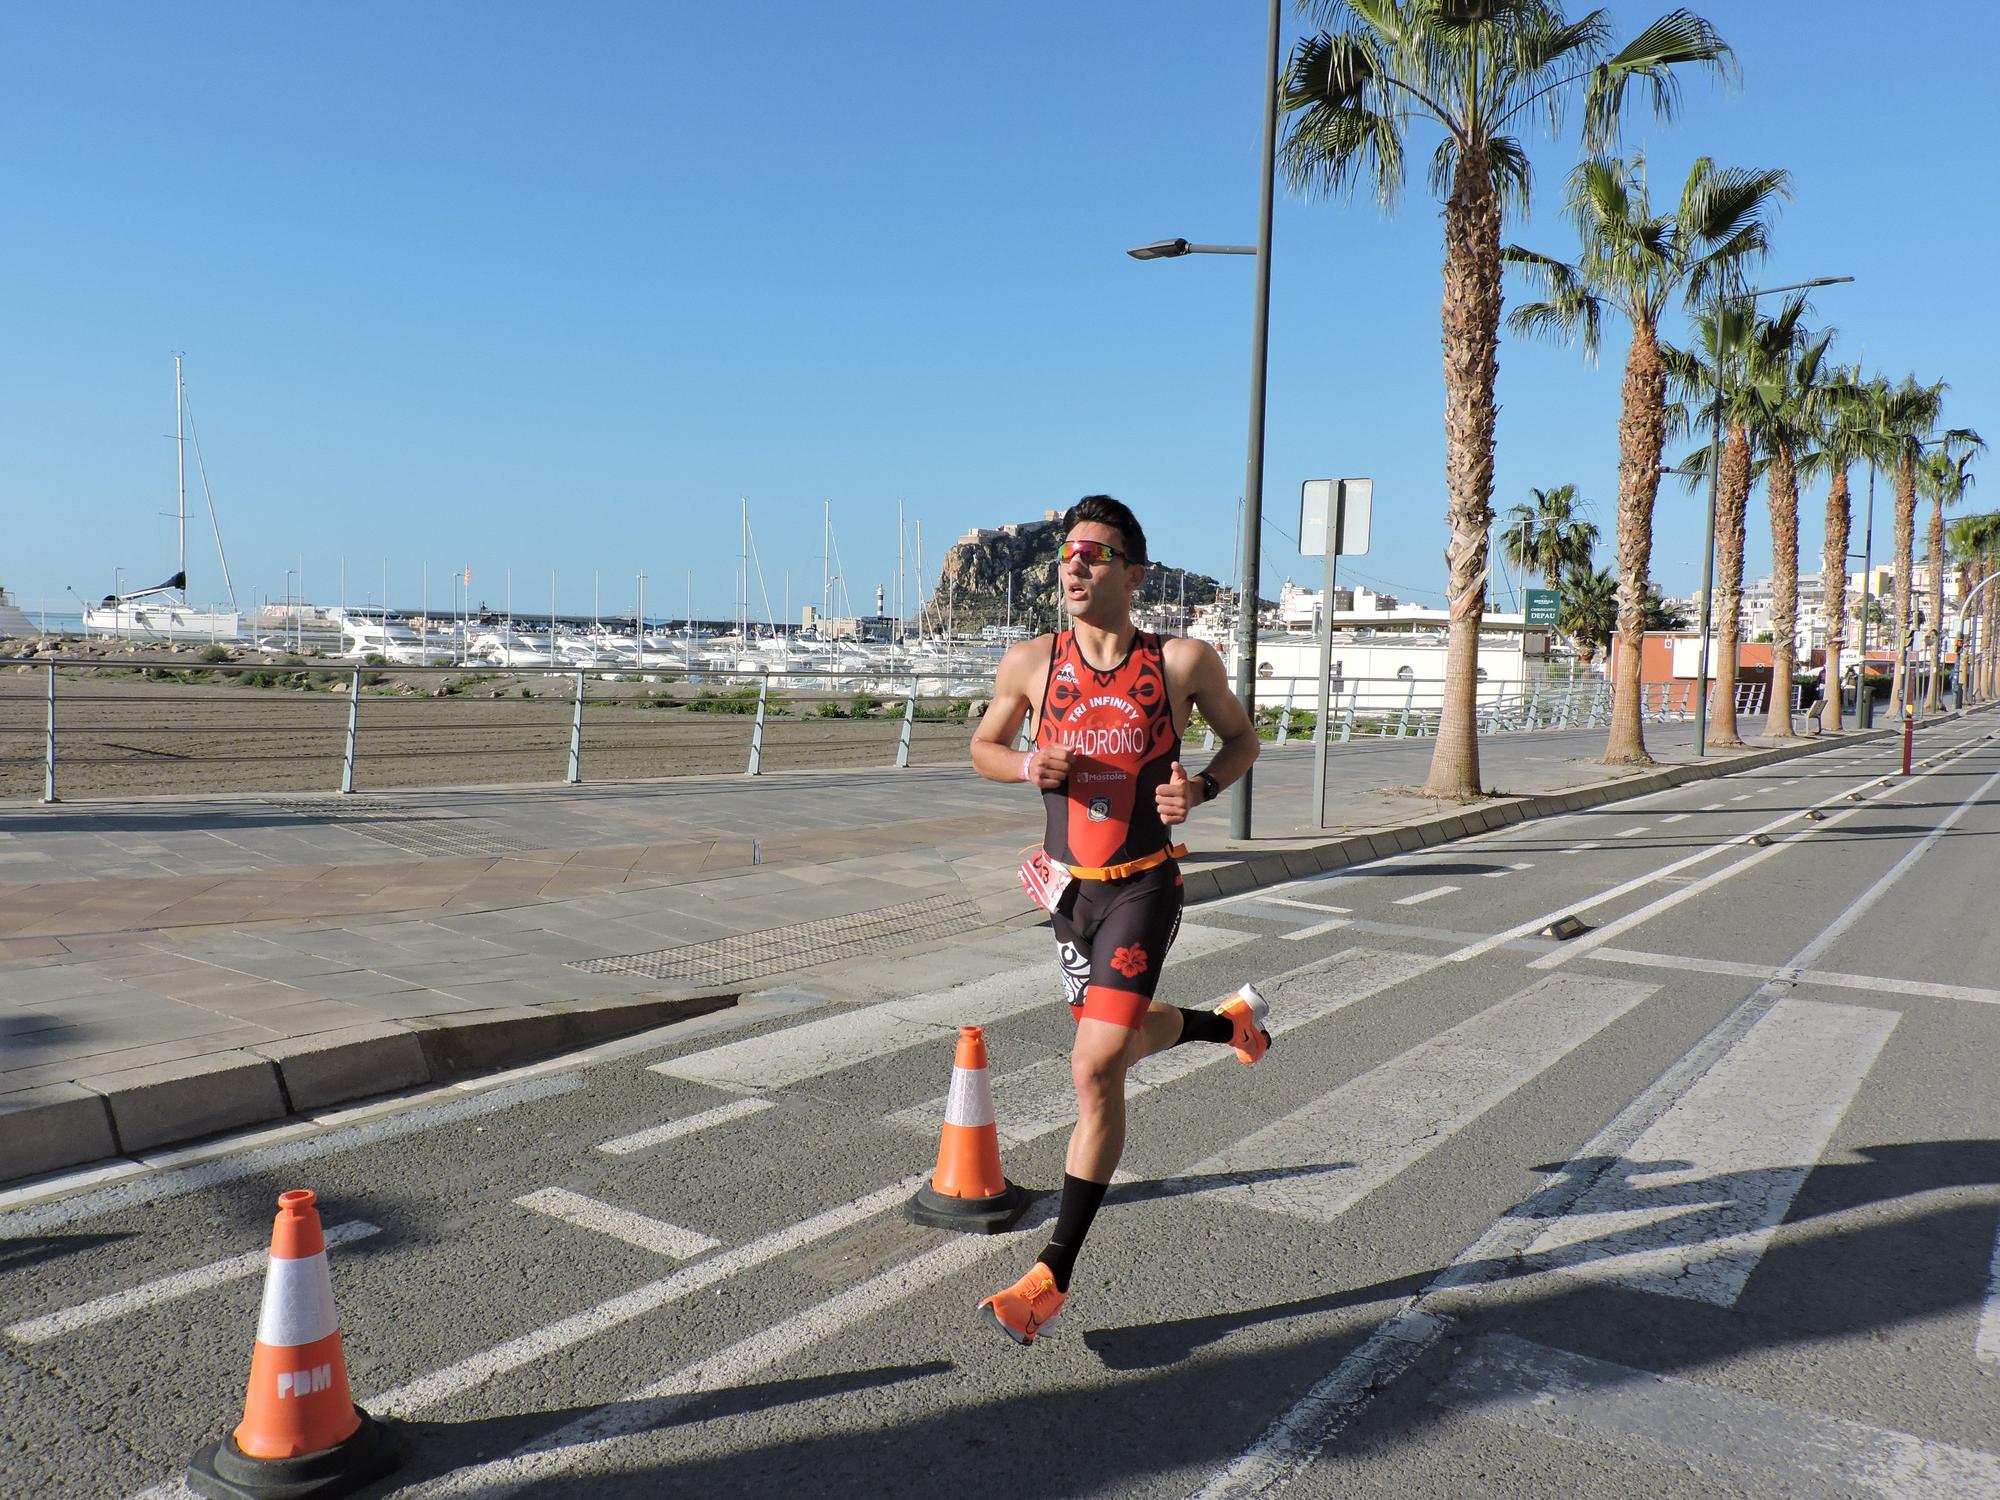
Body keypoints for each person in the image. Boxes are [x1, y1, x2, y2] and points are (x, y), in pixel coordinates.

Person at [968, 494, 1263, 1345]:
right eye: (1067, 553)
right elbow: (983, 747)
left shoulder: (1180, 663)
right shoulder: (1031, 663)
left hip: (1143, 886)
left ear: (1133, 574)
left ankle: (1050, 1275)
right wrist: (1026, 764)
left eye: (1095, 553)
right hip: (1070, 895)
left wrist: (1200, 787)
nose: (1074, 564)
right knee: (1120, 1044)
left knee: (1094, 1068)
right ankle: (1227, 1024)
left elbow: (1243, 740)